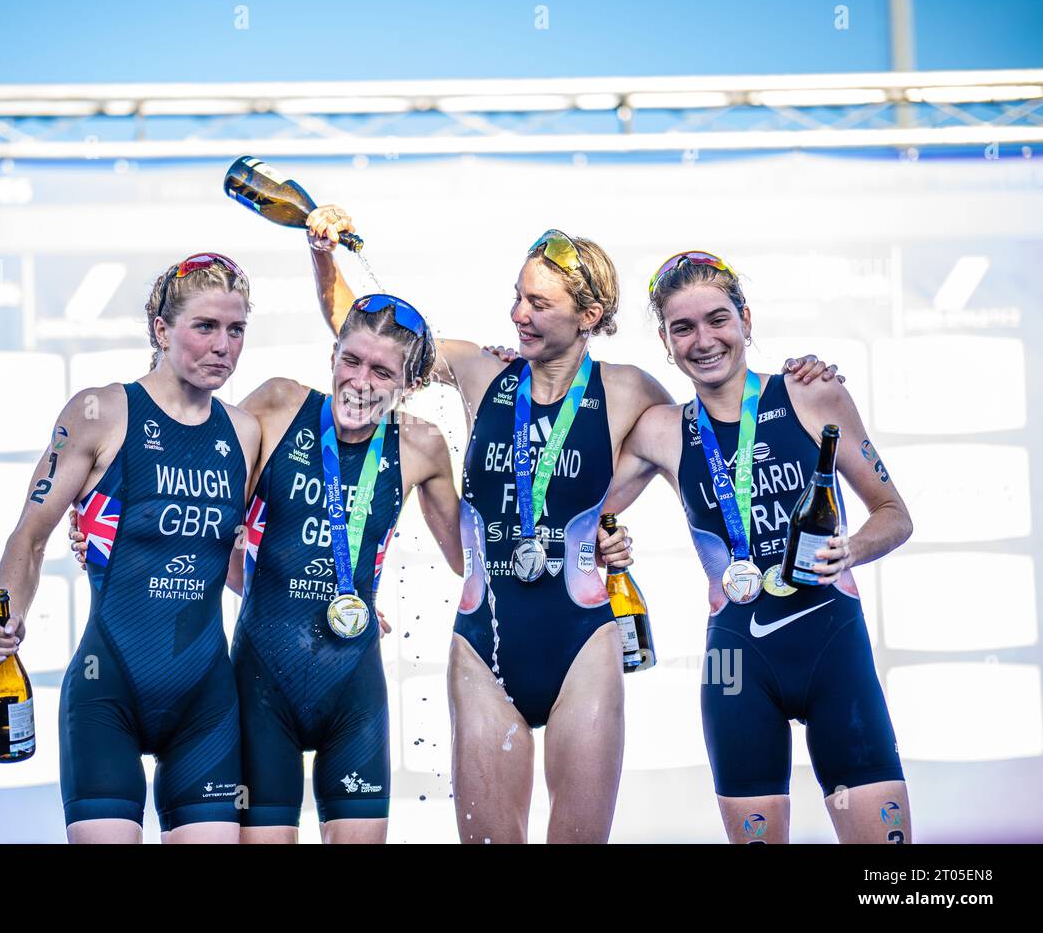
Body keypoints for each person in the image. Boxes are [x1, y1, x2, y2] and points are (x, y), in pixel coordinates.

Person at [306, 207, 838, 843]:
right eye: (517, 298)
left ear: (588, 315)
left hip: (583, 640)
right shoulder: (484, 372)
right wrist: (323, 254)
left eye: (537, 302)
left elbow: (711, 442)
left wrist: (799, 378)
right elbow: (361, 332)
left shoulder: (629, 390)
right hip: (484, 641)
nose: (518, 315)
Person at [70, 292, 472, 843]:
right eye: (351, 360)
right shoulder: (278, 407)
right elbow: (202, 505)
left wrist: (584, 528)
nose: (360, 382)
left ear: (408, 383)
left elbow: (465, 559)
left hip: (353, 685)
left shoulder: (423, 446)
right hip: (262, 682)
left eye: (383, 371)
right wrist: (108, 530)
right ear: (333, 354)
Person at [600, 250, 913, 843]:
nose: (704, 339)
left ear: (746, 319)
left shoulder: (810, 394)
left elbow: (895, 515)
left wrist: (852, 549)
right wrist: (607, 544)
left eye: (718, 319)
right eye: (682, 328)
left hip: (832, 648)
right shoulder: (661, 431)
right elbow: (581, 517)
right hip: (737, 665)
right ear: (667, 344)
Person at [0, 253, 260, 844]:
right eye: (204, 327)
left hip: (206, 700)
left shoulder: (244, 431)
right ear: (161, 330)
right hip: (108, 692)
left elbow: (234, 561)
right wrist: (11, 616)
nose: (223, 347)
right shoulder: (99, 411)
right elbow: (28, 539)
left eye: (236, 330)